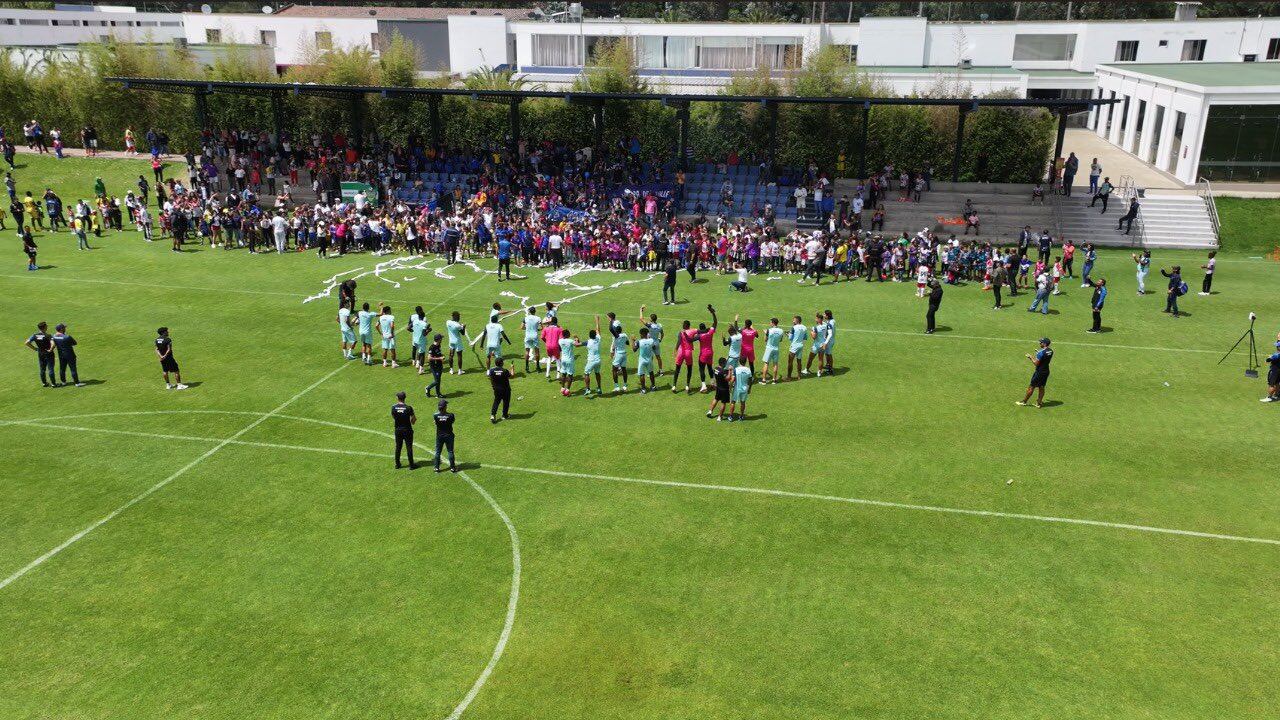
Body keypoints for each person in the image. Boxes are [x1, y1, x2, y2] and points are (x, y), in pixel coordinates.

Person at [1017, 338, 1053, 408]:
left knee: (1031, 387)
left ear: (1044, 344)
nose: (1040, 343)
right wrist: (1038, 354)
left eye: (1041, 342)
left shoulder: (1041, 353)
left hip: (1039, 372)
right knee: (1041, 387)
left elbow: (1036, 363)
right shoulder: (1051, 351)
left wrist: (1030, 357)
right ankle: (1038, 403)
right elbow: (1045, 357)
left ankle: (1024, 402)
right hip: (1046, 371)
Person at [25, 321, 56, 387]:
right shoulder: (48, 335)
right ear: (44, 327)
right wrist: (50, 350)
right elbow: (53, 344)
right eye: (46, 326)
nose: (47, 327)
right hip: (49, 354)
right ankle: (53, 384)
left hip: (41, 353)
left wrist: (35, 349)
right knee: (50, 369)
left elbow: (27, 342)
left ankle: (44, 383)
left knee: (42, 369)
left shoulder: (35, 335)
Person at [391, 391, 417, 470]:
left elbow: (393, 416)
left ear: (397, 398)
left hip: (398, 429)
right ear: (404, 398)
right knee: (409, 447)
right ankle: (411, 465)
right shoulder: (409, 408)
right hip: (407, 429)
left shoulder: (394, 407)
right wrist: (412, 422)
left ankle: (397, 464)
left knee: (398, 447)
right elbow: (413, 419)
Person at [696, 305, 718, 392]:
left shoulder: (699, 335)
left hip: (703, 354)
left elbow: (690, 339)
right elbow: (715, 322)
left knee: (701, 369)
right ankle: (713, 383)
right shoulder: (710, 332)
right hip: (710, 353)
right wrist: (713, 313)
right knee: (709, 367)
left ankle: (704, 386)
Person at [432, 399, 458, 473]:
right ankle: (452, 468)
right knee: (450, 451)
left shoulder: (435, 415)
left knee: (438, 452)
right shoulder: (450, 415)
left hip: (439, 436)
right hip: (449, 435)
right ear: (445, 407)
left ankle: (436, 468)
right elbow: (452, 421)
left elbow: (435, 423)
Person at [727, 356, 753, 422]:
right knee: (743, 403)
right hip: (745, 389)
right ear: (746, 361)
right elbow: (750, 381)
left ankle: (730, 416)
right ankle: (741, 416)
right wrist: (749, 388)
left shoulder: (736, 369)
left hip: (736, 388)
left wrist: (730, 387)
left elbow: (733, 380)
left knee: (733, 402)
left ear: (739, 361)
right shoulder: (748, 370)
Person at [487, 357, 513, 422]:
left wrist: (493, 386)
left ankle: (493, 415)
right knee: (506, 402)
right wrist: (512, 367)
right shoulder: (504, 371)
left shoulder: (491, 371)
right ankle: (505, 415)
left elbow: (490, 378)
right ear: (502, 363)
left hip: (496, 390)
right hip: (506, 390)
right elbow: (512, 375)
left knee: (496, 402)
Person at [583, 317, 603, 396]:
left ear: (589, 335)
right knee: (597, 373)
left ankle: (588, 389)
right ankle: (599, 388)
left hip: (591, 361)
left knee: (586, 373)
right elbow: (598, 330)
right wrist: (597, 321)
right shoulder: (598, 339)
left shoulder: (588, 342)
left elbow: (577, 345)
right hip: (598, 361)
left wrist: (575, 340)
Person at [634, 326, 657, 393]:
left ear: (641, 334)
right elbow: (654, 348)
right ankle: (653, 386)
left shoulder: (639, 342)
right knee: (651, 373)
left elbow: (634, 349)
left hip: (642, 361)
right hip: (649, 360)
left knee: (642, 374)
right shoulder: (651, 340)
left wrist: (633, 341)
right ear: (647, 334)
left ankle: (643, 389)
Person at [761, 318, 784, 384]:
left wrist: (765, 333)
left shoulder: (769, 330)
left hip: (769, 349)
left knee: (766, 363)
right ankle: (774, 380)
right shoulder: (781, 331)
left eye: (770, 322)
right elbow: (780, 340)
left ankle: (764, 380)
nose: (770, 323)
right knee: (775, 364)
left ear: (773, 323)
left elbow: (765, 340)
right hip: (776, 349)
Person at [409, 306, 431, 374]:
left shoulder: (415, 321)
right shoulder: (424, 323)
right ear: (423, 317)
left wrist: (414, 331)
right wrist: (428, 330)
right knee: (422, 354)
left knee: (417, 350)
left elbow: (408, 328)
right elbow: (424, 334)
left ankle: (416, 363)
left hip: (415, 340)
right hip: (421, 341)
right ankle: (421, 369)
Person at [610, 319, 630, 393]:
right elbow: (627, 343)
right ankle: (625, 386)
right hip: (624, 353)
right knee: (624, 370)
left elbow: (613, 347)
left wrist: (611, 321)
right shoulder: (625, 335)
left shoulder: (616, 336)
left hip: (618, 354)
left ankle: (617, 387)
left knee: (614, 370)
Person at [786, 315, 807, 380]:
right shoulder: (804, 327)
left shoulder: (794, 327)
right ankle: (799, 376)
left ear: (797, 320)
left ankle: (789, 377)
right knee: (799, 361)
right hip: (801, 345)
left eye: (794, 320)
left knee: (790, 361)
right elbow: (805, 337)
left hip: (794, 346)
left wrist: (787, 334)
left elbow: (790, 338)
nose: (793, 321)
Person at [521, 307, 541, 373]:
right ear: (535, 311)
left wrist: (527, 329)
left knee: (527, 351)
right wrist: (537, 329)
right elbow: (542, 327)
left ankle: (527, 367)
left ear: (529, 311)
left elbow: (522, 327)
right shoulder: (538, 318)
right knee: (537, 351)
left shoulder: (525, 318)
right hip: (534, 335)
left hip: (528, 336)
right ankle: (537, 366)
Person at [424, 334, 445, 398]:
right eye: (441, 338)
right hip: (434, 366)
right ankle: (428, 388)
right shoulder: (432, 347)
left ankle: (438, 394)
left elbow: (438, 353)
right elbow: (429, 358)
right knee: (437, 381)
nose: (442, 339)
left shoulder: (438, 345)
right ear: (438, 340)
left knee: (438, 380)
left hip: (439, 365)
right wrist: (439, 358)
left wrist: (441, 356)